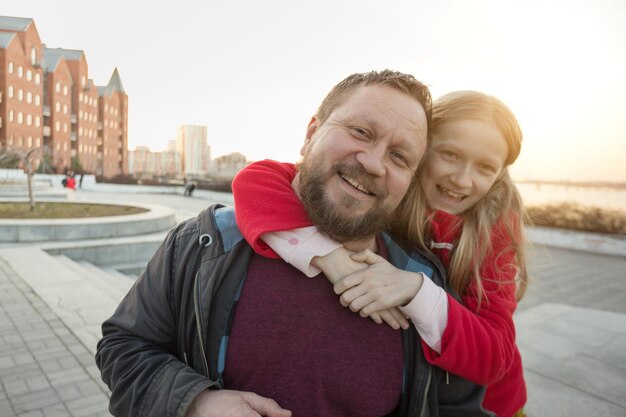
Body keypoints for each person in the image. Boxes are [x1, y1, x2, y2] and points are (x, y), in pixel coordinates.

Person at [95, 70, 491, 417]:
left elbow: (457, 406)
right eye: (360, 132)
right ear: (311, 133)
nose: (373, 162)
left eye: (400, 157)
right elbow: (123, 348)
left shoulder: (421, 284)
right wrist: (194, 403)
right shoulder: (206, 245)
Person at [231, 91, 528, 417]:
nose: (462, 179)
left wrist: (417, 290)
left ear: (500, 174)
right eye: (450, 154)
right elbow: (257, 178)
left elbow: (497, 358)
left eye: (485, 167)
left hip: (487, 405)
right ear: (421, 148)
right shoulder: (386, 193)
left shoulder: (493, 231)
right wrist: (329, 258)